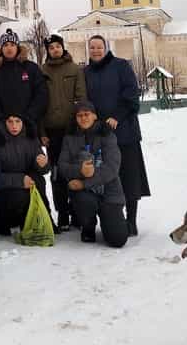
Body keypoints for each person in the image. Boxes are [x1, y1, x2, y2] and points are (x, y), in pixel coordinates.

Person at [84, 35, 150, 236]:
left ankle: (131, 220)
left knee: (129, 176)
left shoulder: (121, 66)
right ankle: (113, 217)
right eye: (92, 47)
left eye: (99, 47)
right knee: (107, 177)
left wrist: (116, 116)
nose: (96, 51)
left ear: (106, 48)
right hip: (100, 134)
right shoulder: (86, 72)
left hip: (124, 131)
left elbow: (131, 94)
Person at [58, 100, 129, 247]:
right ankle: (88, 226)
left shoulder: (107, 134)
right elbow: (62, 166)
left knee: (118, 240)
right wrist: (80, 170)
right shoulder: (69, 137)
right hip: (85, 194)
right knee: (83, 201)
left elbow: (112, 168)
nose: (83, 118)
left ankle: (111, 220)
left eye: (87, 114)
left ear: (95, 116)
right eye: (79, 115)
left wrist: (85, 181)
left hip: (109, 191)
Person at [40, 34, 87, 231]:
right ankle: (63, 214)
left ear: (63, 48)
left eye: (58, 46)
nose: (55, 50)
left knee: (75, 170)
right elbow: (39, 104)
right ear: (48, 51)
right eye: (51, 48)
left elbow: (81, 98)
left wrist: (79, 125)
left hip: (72, 130)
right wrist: (42, 131)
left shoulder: (74, 69)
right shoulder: (42, 71)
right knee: (57, 174)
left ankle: (77, 211)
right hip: (52, 132)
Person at [0, 115, 53, 236]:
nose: (14, 126)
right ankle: (8, 222)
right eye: (10, 121)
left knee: (39, 181)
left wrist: (43, 164)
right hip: (6, 190)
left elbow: (43, 169)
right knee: (19, 195)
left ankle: (45, 218)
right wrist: (19, 180)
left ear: (23, 122)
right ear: (4, 122)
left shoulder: (30, 136)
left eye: (17, 121)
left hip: (27, 181)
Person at [0, 28, 47, 125]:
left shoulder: (31, 68)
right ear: (1, 48)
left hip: (28, 124)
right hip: (3, 125)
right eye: (6, 45)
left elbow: (41, 94)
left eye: (12, 45)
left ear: (18, 47)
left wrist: (30, 116)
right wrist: (0, 118)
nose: (9, 48)